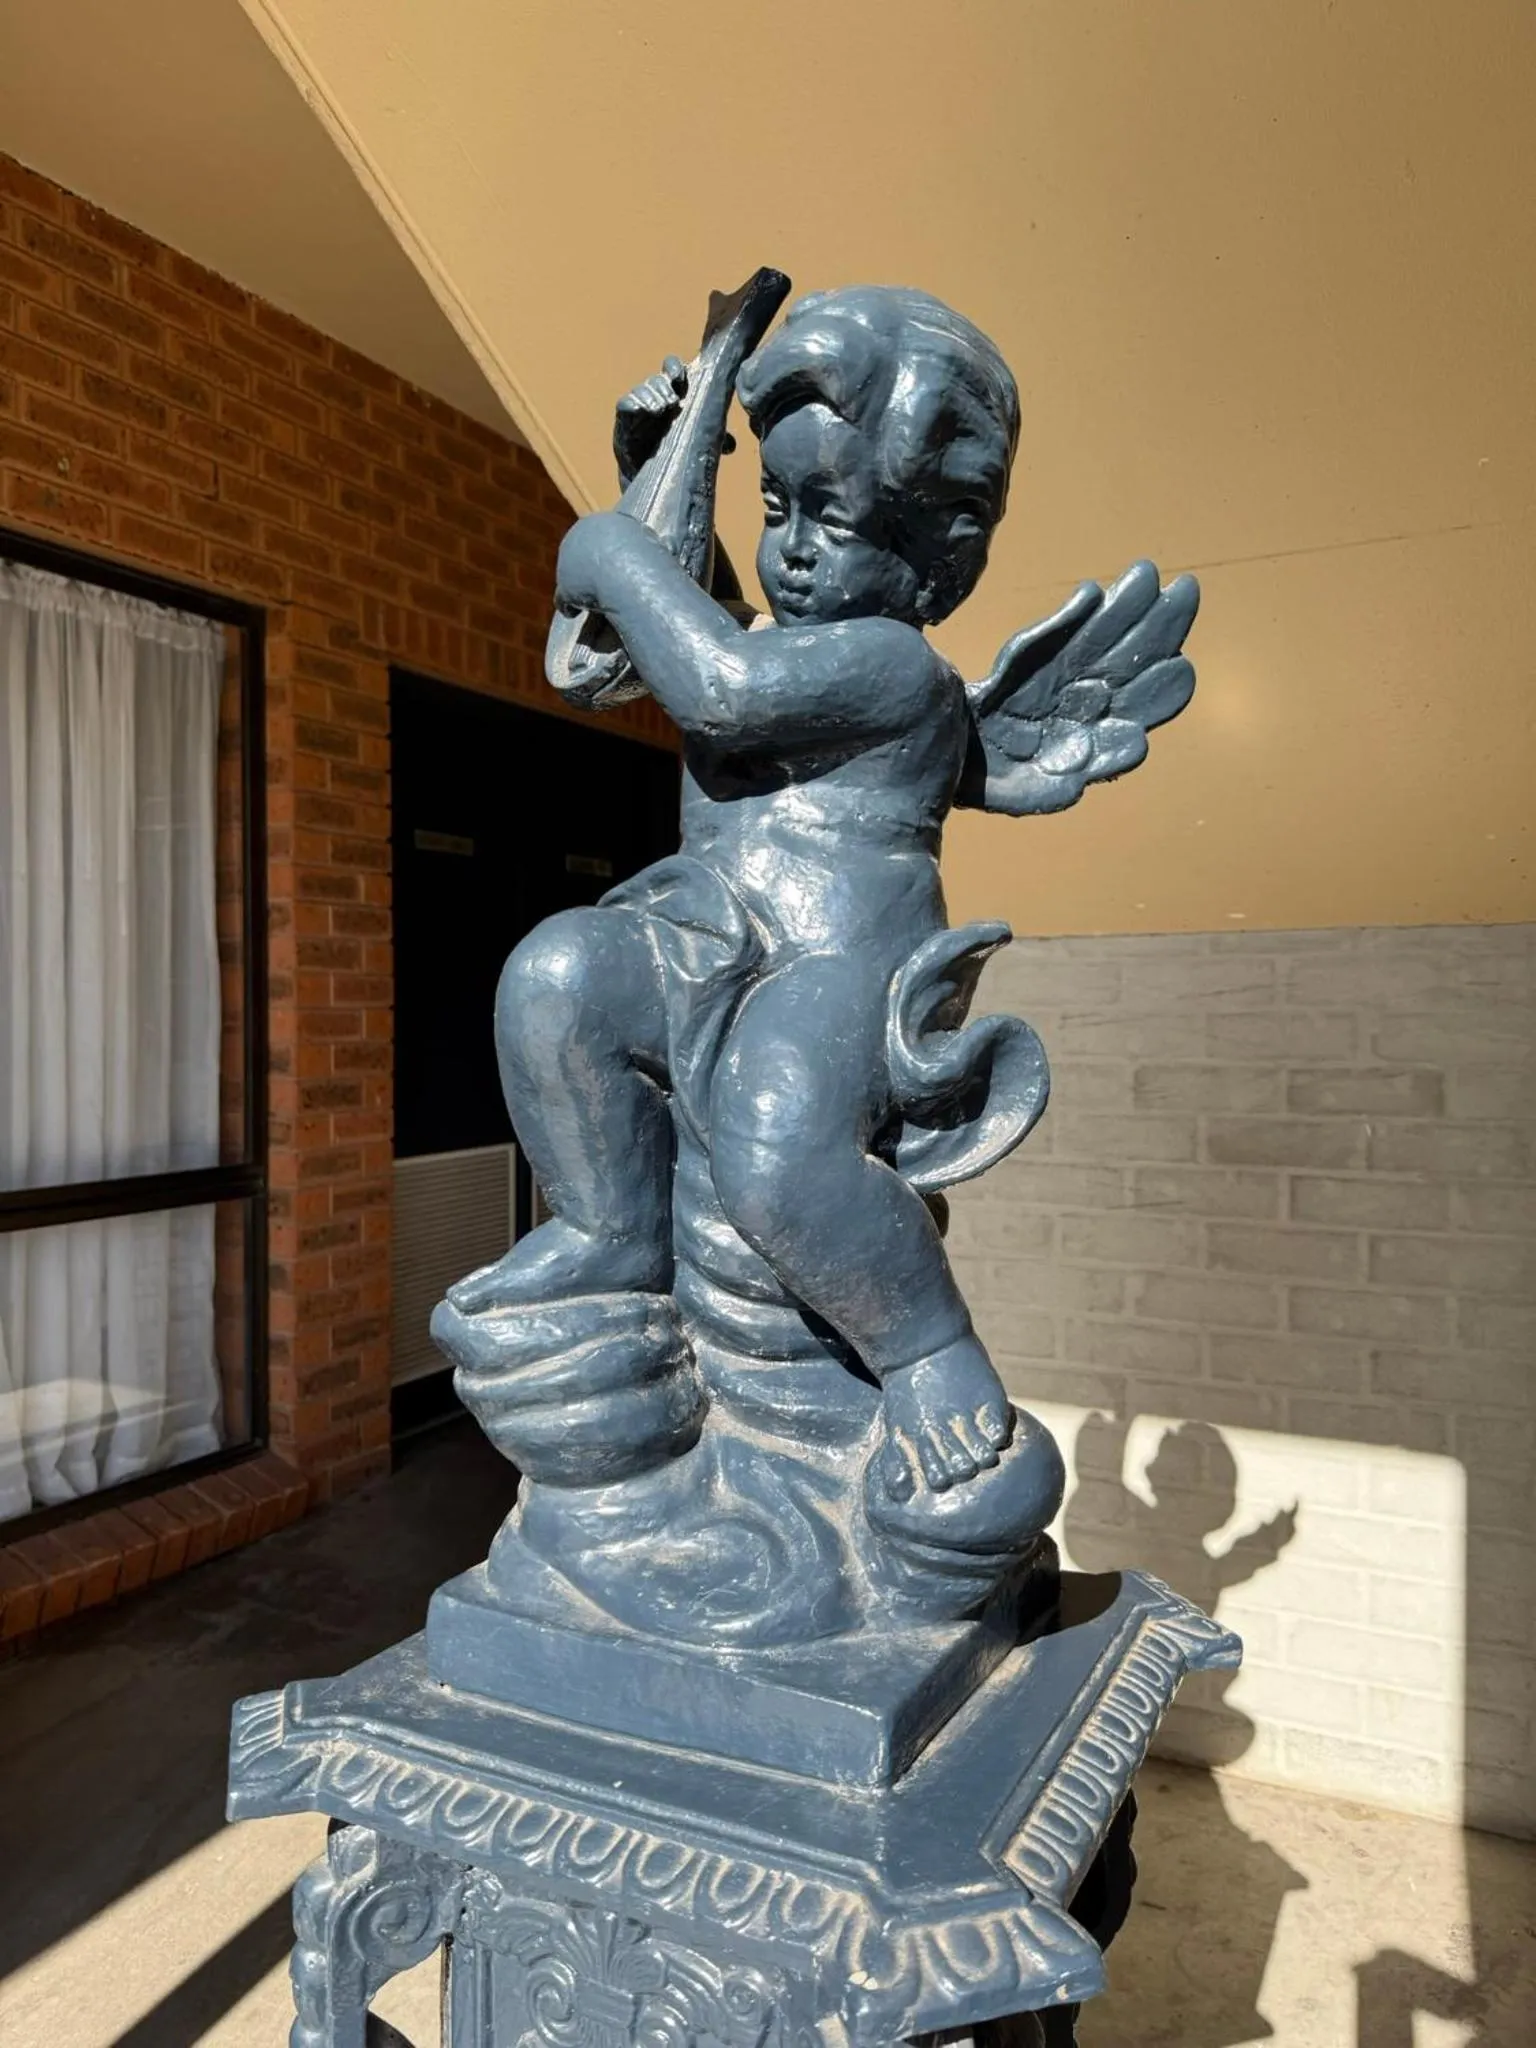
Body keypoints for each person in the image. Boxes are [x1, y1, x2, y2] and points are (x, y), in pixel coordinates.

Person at [451, 288, 1025, 1502]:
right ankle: (607, 1231)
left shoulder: (896, 665)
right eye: (776, 507)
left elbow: (721, 687)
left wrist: (609, 548)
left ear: (930, 557)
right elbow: (653, 651)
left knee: (778, 1153)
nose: (795, 547)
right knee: (558, 974)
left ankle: (927, 1347)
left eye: (837, 518)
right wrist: (659, 480)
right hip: (709, 924)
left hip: (835, 962)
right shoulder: (776, 636)